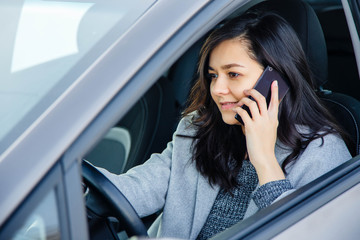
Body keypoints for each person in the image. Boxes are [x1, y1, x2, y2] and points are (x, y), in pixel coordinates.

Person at [98, 11, 352, 239]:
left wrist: (263, 158)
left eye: (233, 74)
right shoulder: (199, 129)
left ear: (275, 79)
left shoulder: (320, 151)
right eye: (212, 75)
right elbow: (139, 188)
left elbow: (306, 232)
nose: (217, 90)